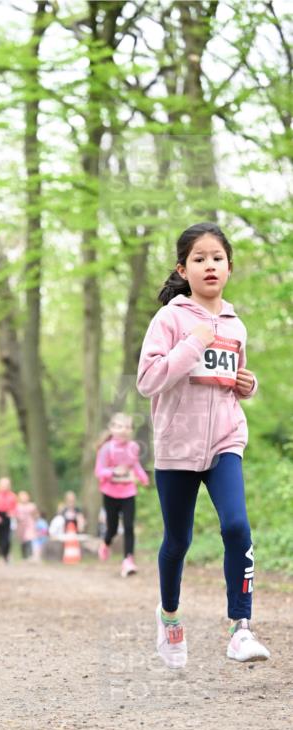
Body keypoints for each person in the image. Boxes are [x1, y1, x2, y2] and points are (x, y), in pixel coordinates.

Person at [137, 221, 270, 668]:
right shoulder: (170, 319)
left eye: (217, 258)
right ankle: (170, 616)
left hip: (224, 442)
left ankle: (240, 628)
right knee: (178, 540)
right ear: (183, 268)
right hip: (177, 445)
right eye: (199, 259)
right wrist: (192, 343)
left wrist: (245, 385)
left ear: (229, 267)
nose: (209, 265)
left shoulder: (236, 323)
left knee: (237, 527)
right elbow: (148, 380)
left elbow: (227, 380)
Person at [94, 413, 149, 577]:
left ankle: (128, 560)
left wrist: (143, 477)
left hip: (128, 492)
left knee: (129, 527)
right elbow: (99, 471)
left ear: (131, 430)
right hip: (110, 493)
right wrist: (114, 472)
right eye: (119, 426)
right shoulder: (106, 448)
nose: (123, 430)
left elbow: (135, 464)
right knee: (111, 528)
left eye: (127, 427)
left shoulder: (133, 447)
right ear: (111, 429)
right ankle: (105, 542)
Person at [0, 477, 18, 562]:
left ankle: (6, 554)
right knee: (0, 537)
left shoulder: (12, 496)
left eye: (6, 485)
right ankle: (1, 554)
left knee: (7, 537)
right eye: (2, 485)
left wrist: (12, 513)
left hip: (8, 517)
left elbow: (15, 507)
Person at [15, 490, 38, 560]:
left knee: (29, 539)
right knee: (23, 541)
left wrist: (35, 519)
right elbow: (15, 515)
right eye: (22, 497)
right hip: (21, 527)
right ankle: (24, 556)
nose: (24, 498)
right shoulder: (17, 506)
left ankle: (30, 555)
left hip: (30, 525)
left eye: (25, 497)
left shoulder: (32, 506)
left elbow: (35, 514)